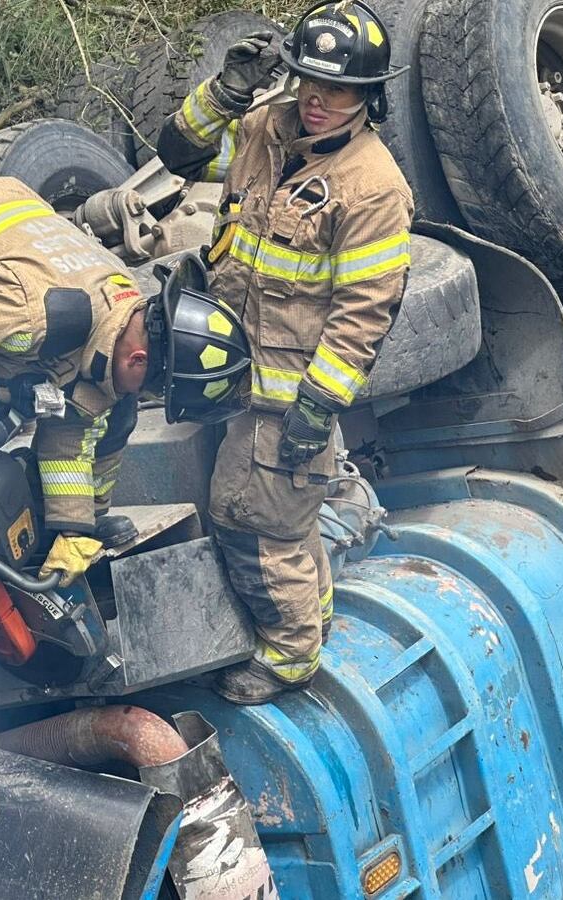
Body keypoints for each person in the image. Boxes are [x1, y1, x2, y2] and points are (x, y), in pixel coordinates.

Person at [157, 0, 415, 704]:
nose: (318, 101)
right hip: (225, 372)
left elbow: (365, 315)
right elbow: (175, 153)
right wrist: (225, 92)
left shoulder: (373, 189)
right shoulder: (267, 128)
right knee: (285, 520)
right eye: (307, 81)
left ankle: (289, 658)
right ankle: (314, 619)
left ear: (368, 96)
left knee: (254, 522)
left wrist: (315, 409)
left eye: (337, 90)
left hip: (287, 391)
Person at [0, 176, 252, 587]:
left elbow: (75, 418)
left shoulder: (126, 313)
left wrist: (76, 527)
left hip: (6, 234)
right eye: (156, 390)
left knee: (112, 409)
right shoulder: (32, 315)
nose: (148, 398)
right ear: (139, 358)